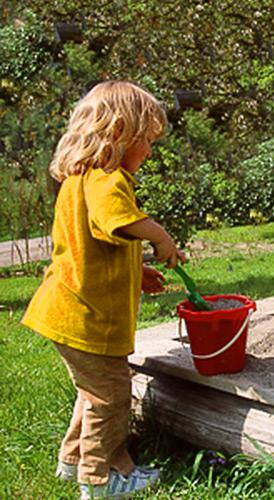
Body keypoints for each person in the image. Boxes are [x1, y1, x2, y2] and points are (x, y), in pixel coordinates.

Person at [21, 81, 185, 499]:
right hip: (87, 317)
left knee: (93, 393)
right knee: (111, 397)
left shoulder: (81, 178)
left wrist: (139, 270)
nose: (149, 152)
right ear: (118, 133)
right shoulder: (107, 179)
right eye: (146, 141)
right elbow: (119, 220)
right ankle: (100, 480)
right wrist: (160, 236)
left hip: (67, 309)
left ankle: (71, 459)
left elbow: (98, 239)